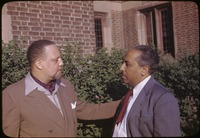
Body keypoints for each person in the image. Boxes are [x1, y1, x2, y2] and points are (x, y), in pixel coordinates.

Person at [2, 39, 121, 137]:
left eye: (61, 58)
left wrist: (127, 101)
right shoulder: (13, 95)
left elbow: (87, 111)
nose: (62, 63)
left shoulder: (65, 86)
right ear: (39, 64)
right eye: (55, 60)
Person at [112, 45, 181, 137]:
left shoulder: (163, 99)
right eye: (122, 63)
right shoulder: (130, 95)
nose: (121, 68)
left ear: (144, 70)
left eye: (127, 64)